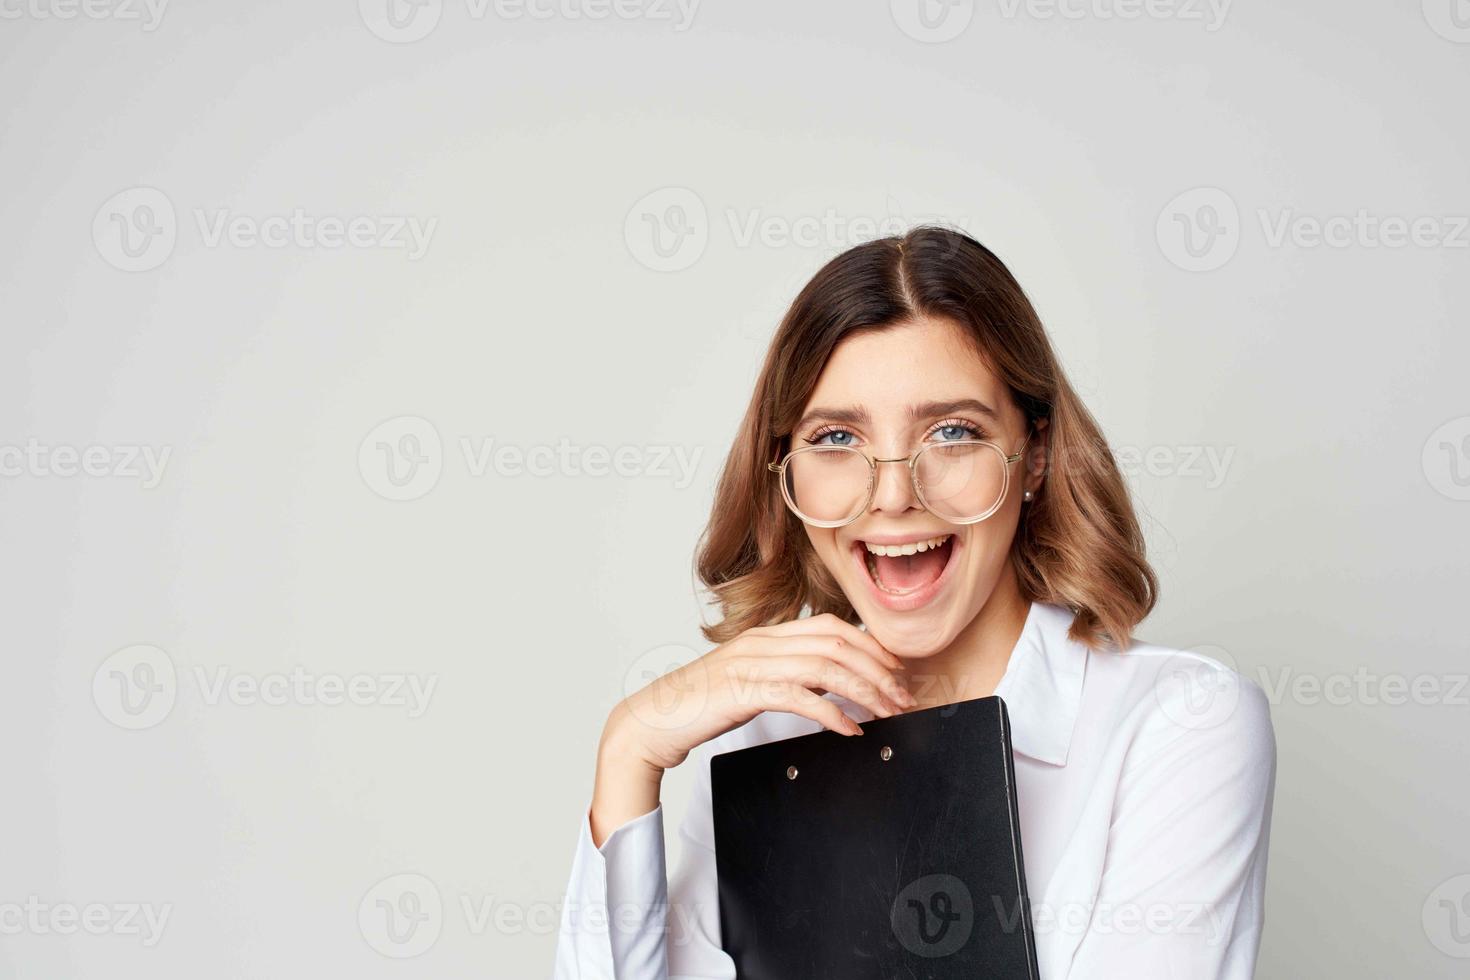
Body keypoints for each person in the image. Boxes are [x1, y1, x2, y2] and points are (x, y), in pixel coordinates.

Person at [552, 226, 1276, 978]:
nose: (894, 495)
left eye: (952, 432)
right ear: (785, 473)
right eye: (836, 438)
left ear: (1033, 455)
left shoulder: (1181, 723)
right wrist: (630, 748)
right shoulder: (760, 743)